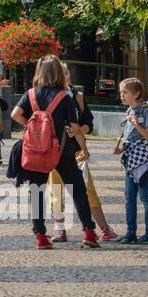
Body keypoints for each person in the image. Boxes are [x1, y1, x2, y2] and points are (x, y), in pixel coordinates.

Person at [9, 55, 99, 249]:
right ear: (58, 72)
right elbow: (75, 128)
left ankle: (41, 236)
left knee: (37, 191)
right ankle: (89, 233)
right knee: (77, 190)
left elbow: (14, 114)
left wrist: (34, 128)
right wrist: (84, 148)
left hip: (36, 151)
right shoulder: (64, 97)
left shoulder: (31, 94)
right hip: (62, 150)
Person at [46, 65, 117, 241]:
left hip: (77, 151)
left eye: (68, 73)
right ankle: (60, 230)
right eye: (62, 74)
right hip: (55, 152)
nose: (66, 76)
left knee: (87, 190)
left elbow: (88, 123)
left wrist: (78, 131)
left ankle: (104, 228)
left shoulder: (77, 96)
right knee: (56, 192)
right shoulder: (49, 96)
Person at [114, 77, 148, 244]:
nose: (122, 95)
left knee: (146, 197)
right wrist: (121, 149)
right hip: (130, 160)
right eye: (121, 92)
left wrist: (137, 124)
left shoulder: (144, 111)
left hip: (144, 161)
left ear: (137, 93)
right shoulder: (129, 112)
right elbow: (131, 138)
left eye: (125, 92)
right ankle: (130, 232)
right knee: (129, 198)